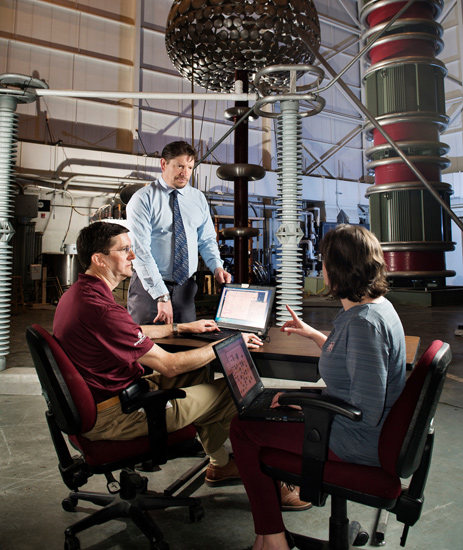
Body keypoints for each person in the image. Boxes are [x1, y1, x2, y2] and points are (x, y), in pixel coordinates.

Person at [230, 224, 406, 550]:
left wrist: (304, 404)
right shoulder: (373, 309)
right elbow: (355, 365)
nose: (321, 267)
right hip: (360, 428)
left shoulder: (364, 324)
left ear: (337, 268)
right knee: (271, 412)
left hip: (355, 440)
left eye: (324, 261)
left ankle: (271, 538)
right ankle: (271, 529)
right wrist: (312, 334)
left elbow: (363, 411)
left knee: (243, 427)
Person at [53, 221, 262, 487]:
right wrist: (231, 343)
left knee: (197, 372)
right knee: (239, 387)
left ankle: (219, 463)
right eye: (124, 250)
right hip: (117, 415)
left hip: (111, 397)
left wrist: (179, 327)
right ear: (99, 259)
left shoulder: (80, 295)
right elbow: (170, 365)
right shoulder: (103, 310)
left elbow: (129, 330)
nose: (133, 256)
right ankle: (262, 473)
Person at [126, 140, 231, 325]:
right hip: (148, 287)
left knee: (186, 345)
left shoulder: (197, 199)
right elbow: (140, 252)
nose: (185, 173)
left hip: (185, 289)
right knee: (146, 346)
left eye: (190, 167)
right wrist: (161, 296)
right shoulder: (143, 199)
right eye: (179, 166)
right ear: (163, 164)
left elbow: (206, 240)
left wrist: (217, 266)